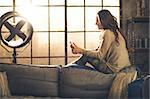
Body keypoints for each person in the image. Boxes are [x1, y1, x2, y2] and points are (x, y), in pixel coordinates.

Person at [68, 9, 137, 99]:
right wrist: (80, 50)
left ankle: (70, 70)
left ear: (103, 20)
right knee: (87, 54)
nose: (95, 23)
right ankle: (72, 68)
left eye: (97, 20)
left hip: (113, 69)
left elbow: (100, 55)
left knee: (86, 56)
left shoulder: (107, 33)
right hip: (122, 67)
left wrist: (80, 50)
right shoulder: (116, 31)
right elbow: (99, 51)